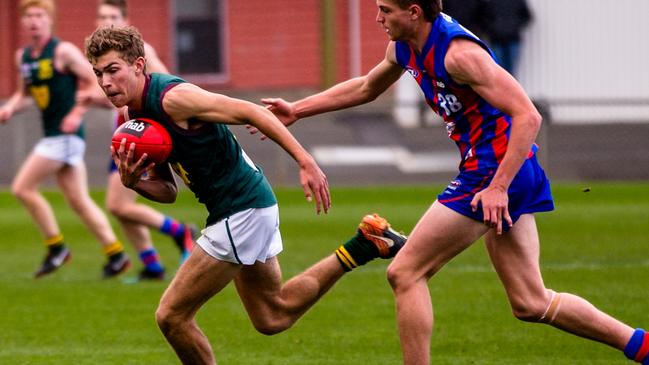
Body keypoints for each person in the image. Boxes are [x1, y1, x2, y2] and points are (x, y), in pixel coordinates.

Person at [256, 1, 648, 364]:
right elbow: (366, 87)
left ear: (413, 12)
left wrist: (496, 187)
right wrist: (298, 109)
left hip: (494, 172)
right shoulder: (404, 45)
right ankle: (640, 345)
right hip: (497, 171)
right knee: (531, 302)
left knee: (405, 272)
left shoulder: (459, 54)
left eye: (384, 10)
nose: (378, 18)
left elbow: (528, 116)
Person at [84, 25, 407, 364]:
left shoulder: (173, 99)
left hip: (242, 210)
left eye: (112, 70)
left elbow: (250, 111)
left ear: (138, 65)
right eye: (98, 73)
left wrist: (305, 160)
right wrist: (133, 181)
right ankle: (367, 242)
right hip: (246, 208)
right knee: (272, 316)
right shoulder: (132, 117)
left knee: (171, 316)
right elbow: (168, 192)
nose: (105, 82)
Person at [0, 0, 130, 278]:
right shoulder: (23, 56)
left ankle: (56, 247)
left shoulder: (63, 51)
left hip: (65, 136)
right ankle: (116, 253)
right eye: (29, 16)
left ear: (50, 19)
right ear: (24, 22)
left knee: (22, 188)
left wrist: (76, 112)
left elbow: (94, 81)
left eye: (40, 15)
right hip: (54, 135)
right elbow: (25, 94)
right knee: (79, 200)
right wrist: (10, 107)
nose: (34, 21)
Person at [94, 0, 197, 281]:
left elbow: (167, 83)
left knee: (118, 205)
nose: (105, 21)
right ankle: (151, 265)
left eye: (112, 16)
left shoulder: (142, 52)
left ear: (125, 18)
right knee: (121, 208)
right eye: (101, 16)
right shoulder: (102, 58)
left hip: (143, 137)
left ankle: (181, 232)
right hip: (123, 137)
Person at [479, 0, 532, 76]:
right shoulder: (491, 2)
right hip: (496, 40)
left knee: (511, 72)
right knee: (498, 70)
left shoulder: (517, 2)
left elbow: (527, 16)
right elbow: (483, 18)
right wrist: (492, 29)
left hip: (513, 39)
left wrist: (514, 27)